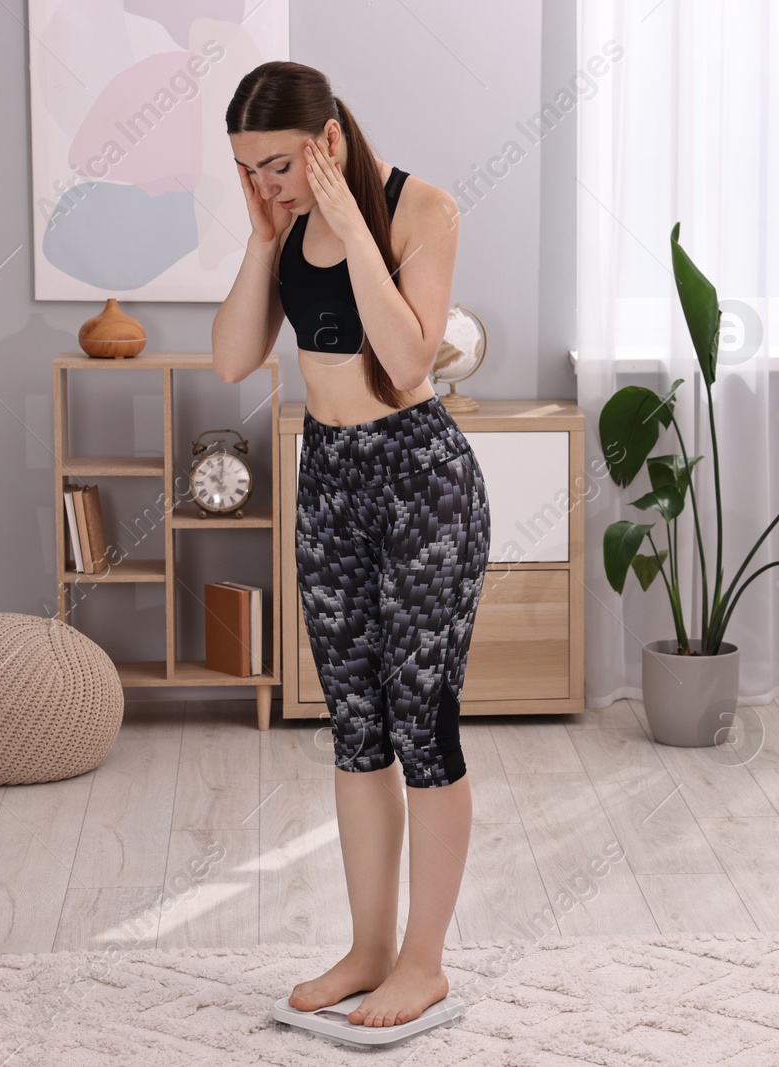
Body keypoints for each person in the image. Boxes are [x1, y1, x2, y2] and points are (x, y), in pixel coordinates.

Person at [211, 60, 489, 1030]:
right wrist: (261, 243)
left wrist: (351, 226)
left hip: (419, 480)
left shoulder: (426, 211)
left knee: (422, 725)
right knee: (356, 728)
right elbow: (234, 356)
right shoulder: (279, 226)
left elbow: (408, 356)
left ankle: (424, 959)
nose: (267, 186)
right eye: (249, 170)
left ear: (328, 140)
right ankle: (369, 946)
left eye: (278, 166)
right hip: (329, 478)